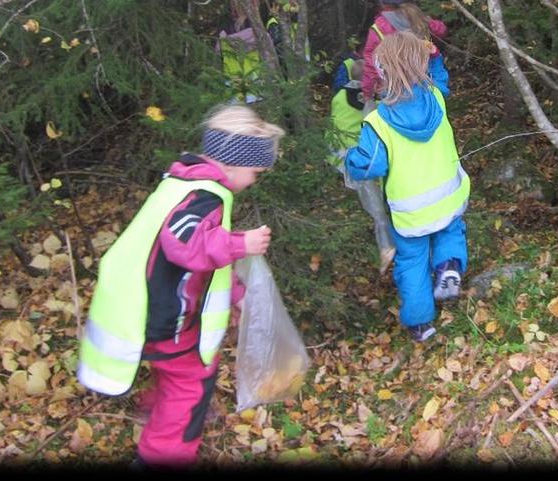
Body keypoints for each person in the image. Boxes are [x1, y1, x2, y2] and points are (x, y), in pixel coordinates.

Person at [77, 104, 286, 468]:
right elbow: (184, 245)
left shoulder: (184, 182)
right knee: (190, 384)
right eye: (256, 172)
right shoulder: (204, 196)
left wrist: (237, 295)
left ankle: (162, 414)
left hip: (150, 309)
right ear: (234, 162)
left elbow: (205, 265)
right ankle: (163, 452)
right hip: (167, 319)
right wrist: (241, 243)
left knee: (179, 378)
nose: (255, 180)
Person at [345, 31, 469, 343]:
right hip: (449, 198)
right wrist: (436, 57)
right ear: (420, 65)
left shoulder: (379, 122)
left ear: (383, 72)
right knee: (450, 233)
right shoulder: (437, 98)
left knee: (411, 263)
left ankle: (421, 324)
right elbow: (440, 79)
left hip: (410, 213)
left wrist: (350, 160)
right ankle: (449, 266)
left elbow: (372, 165)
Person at [327, 56, 396, 273]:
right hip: (363, 155)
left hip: (341, 154)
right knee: (376, 191)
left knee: (369, 194)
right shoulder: (369, 100)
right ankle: (387, 235)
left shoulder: (338, 96)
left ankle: (383, 233)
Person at [360, 0, 449, 112]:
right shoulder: (415, 17)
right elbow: (441, 30)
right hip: (425, 84)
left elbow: (371, 66)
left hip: (394, 91)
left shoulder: (378, 29)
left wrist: (367, 93)